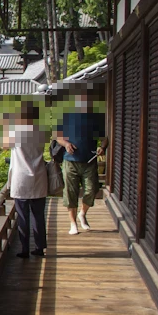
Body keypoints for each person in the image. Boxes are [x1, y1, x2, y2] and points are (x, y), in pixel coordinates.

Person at [55, 91, 107, 235]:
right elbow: (58, 137)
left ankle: (82, 213)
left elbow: (104, 137)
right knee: (70, 193)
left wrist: (102, 147)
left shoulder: (95, 118)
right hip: (70, 161)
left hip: (89, 160)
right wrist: (66, 144)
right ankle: (73, 223)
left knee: (91, 190)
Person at [1, 101, 47, 258]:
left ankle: (24, 248)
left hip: (21, 178)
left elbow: (4, 145)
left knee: (22, 216)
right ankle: (40, 247)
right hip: (39, 176)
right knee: (38, 215)